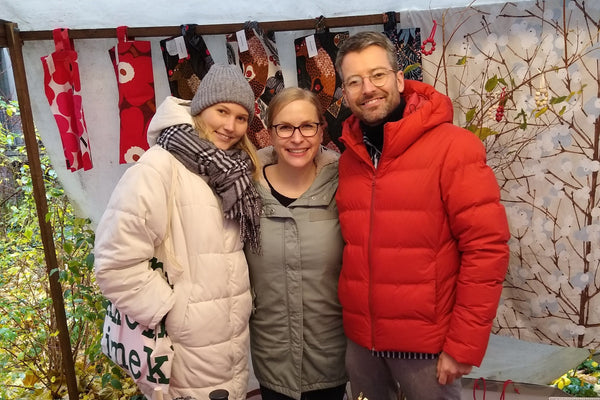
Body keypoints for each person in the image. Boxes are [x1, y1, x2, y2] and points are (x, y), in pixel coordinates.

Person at [333, 31, 511, 400]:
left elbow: (486, 250)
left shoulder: (453, 147)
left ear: (399, 78)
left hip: (427, 351)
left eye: (378, 75)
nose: (368, 88)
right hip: (364, 347)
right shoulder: (349, 159)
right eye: (354, 81)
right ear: (345, 93)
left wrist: (462, 346)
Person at [94, 64, 262, 400]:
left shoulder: (236, 171)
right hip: (183, 345)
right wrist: (172, 311)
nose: (230, 126)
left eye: (241, 117)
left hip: (228, 342)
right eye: (222, 111)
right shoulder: (159, 167)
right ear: (200, 109)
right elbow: (114, 264)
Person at [244, 87, 347, 400]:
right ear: (271, 133)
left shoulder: (344, 188)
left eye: (307, 126)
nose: (297, 138)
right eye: (285, 127)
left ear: (320, 130)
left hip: (331, 358)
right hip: (272, 360)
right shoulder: (244, 190)